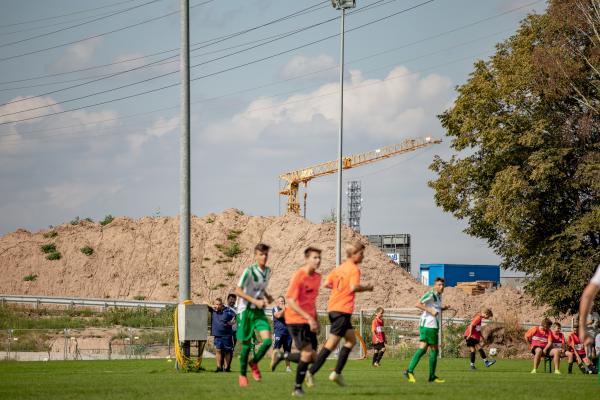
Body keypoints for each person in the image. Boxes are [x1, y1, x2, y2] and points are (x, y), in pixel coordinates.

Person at [306, 241, 374, 387]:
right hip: (342, 310)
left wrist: (339, 289)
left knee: (351, 340)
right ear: (353, 254)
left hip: (334, 308)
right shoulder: (354, 269)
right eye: (361, 253)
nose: (362, 256)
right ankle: (311, 372)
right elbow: (354, 286)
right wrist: (367, 288)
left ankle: (336, 372)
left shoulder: (339, 268)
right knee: (331, 344)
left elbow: (326, 284)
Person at [272, 246, 323, 397]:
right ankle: (297, 388)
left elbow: (311, 302)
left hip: (309, 320)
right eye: (314, 257)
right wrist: (307, 318)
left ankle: (282, 356)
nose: (318, 260)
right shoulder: (299, 276)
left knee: (313, 357)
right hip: (295, 320)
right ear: (306, 259)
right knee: (307, 354)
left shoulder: (318, 277)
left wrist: (316, 320)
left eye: (319, 258)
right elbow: (291, 301)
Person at [234, 243, 274, 387]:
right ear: (255, 255)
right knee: (246, 347)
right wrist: (255, 301)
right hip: (245, 311)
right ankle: (243, 375)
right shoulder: (249, 271)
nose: (264, 257)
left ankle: (254, 362)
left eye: (265, 254)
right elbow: (238, 291)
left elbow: (260, 289)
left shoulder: (267, 271)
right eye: (261, 254)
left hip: (258, 311)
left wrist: (267, 296)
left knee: (268, 341)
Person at [403, 277, 450, 383]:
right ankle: (430, 376)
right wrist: (430, 310)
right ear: (434, 285)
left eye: (443, 285)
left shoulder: (438, 296)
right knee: (434, 350)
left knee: (423, 349)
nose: (441, 287)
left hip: (431, 326)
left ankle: (410, 371)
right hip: (429, 326)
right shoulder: (431, 294)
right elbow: (418, 304)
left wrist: (443, 308)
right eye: (439, 284)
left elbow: (435, 308)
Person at [579, 264, 600, 375]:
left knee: (594, 353)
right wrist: (583, 328)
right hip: (590, 335)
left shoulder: (596, 314)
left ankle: (593, 367)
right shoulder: (587, 314)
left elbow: (587, 295)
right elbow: (586, 296)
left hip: (596, 335)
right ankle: (589, 368)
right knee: (588, 353)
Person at [208, 297, 236, 372]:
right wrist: (212, 305)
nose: (217, 306)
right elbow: (204, 302)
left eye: (219, 304)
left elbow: (236, 316)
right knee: (218, 350)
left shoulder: (228, 311)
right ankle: (218, 367)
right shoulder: (213, 310)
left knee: (227, 351)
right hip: (217, 335)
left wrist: (233, 322)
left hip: (227, 335)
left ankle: (226, 368)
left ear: (222, 305)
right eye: (216, 304)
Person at [271, 296, 293, 373]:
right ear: (277, 302)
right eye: (280, 301)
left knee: (287, 351)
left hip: (288, 334)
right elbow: (279, 315)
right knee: (276, 350)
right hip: (278, 333)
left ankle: (288, 367)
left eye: (283, 301)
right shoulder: (275, 309)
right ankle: (273, 365)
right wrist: (284, 309)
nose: (282, 303)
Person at [226, 293, 238, 372]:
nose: (232, 301)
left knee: (231, 350)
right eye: (231, 299)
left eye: (234, 300)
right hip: (225, 332)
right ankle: (222, 366)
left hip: (234, 332)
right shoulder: (224, 308)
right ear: (227, 300)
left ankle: (228, 367)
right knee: (223, 350)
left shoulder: (237, 310)